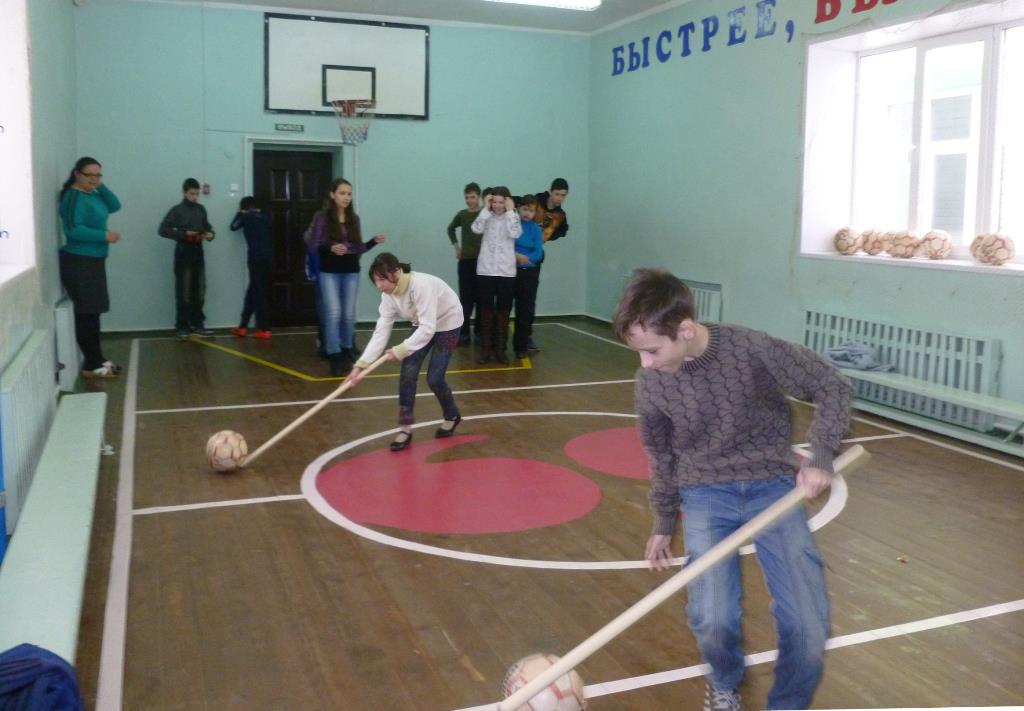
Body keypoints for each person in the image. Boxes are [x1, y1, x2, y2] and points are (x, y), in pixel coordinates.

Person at [612, 268, 852, 711]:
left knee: (807, 626)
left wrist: (820, 456)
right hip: (705, 492)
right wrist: (663, 519)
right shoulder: (652, 382)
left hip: (773, 487)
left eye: (652, 350)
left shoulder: (751, 349)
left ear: (685, 330)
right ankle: (724, 683)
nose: (645, 364)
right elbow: (661, 455)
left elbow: (831, 385)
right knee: (712, 618)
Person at [347, 253, 463, 452]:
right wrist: (361, 365)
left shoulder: (421, 286)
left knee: (435, 378)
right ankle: (405, 428)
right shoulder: (388, 296)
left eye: (382, 279)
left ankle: (452, 415)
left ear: (395, 272)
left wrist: (401, 349)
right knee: (408, 374)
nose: (379, 285)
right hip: (422, 323)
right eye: (376, 281)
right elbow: (381, 331)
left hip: (448, 323)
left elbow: (428, 329)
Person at [305, 178, 385, 376]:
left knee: (348, 315)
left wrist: (372, 242)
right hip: (329, 271)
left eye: (349, 194)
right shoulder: (322, 217)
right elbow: (314, 245)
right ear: (332, 195)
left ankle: (347, 350)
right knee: (333, 313)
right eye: (342, 193)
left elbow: (357, 248)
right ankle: (334, 354)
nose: (346, 197)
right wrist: (331, 247)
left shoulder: (354, 218)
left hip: (351, 271)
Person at [58, 156, 123, 379]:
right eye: (89, 175)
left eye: (98, 175)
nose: (94, 179)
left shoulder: (93, 193)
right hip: (79, 260)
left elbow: (115, 205)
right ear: (77, 174)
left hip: (94, 260)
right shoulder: (72, 197)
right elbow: (73, 229)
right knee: (86, 313)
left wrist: (99, 185)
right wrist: (104, 235)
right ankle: (91, 364)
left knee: (94, 312)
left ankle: (97, 358)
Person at [159, 178, 215, 340]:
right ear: (184, 192)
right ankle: (182, 326)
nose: (195, 197)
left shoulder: (201, 209)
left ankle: (198, 325)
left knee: (200, 290)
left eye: (197, 194)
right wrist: (184, 234)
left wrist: (210, 234)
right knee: (184, 291)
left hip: (198, 251)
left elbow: (208, 228)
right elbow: (162, 230)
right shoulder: (177, 210)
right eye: (192, 194)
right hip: (183, 251)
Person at [471, 186, 521, 364]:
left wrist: (511, 212)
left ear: (507, 202)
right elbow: (476, 228)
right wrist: (485, 209)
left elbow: (515, 233)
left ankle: (500, 350)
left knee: (503, 312)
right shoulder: (486, 216)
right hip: (485, 271)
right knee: (485, 311)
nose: (498, 205)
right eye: (495, 202)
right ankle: (485, 350)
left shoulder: (512, 216)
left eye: (502, 202)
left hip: (506, 272)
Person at [519, 177, 569, 352]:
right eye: (557, 194)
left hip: (534, 260)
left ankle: (526, 337)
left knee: (528, 301)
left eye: (563, 195)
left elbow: (562, 231)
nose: (559, 198)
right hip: (514, 258)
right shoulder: (535, 200)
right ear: (550, 191)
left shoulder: (561, 216)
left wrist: (548, 236)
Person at [229, 196, 272, 340]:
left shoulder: (246, 217)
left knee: (258, 291)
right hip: (268, 256)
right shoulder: (264, 216)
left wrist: (239, 213)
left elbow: (233, 226)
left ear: (244, 208)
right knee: (254, 289)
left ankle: (264, 328)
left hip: (255, 257)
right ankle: (243, 326)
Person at [446, 182, 483, 345]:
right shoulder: (462, 215)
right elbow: (450, 229)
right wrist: (457, 247)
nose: (469, 200)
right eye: (467, 197)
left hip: (483, 264)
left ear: (479, 197)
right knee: (465, 300)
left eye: (472, 197)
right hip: (466, 262)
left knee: (481, 299)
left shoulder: (484, 214)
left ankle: (480, 333)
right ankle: (464, 333)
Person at [511, 195, 543, 359]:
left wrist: (525, 259)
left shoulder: (536, 229)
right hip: (511, 272)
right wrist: (516, 256)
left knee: (525, 311)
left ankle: (521, 347)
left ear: (535, 213)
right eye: (525, 209)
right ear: (518, 209)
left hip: (529, 274)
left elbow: (538, 253)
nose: (527, 213)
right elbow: (507, 246)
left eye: (531, 211)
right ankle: (498, 347)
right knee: (504, 309)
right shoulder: (512, 226)